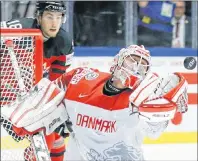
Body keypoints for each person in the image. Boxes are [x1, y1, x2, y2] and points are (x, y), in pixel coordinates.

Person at [2, 45, 189, 160]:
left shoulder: (141, 102)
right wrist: (26, 112)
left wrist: (166, 105)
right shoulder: (81, 79)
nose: (135, 69)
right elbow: (51, 95)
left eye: (142, 67)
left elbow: (153, 131)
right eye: (131, 62)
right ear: (117, 61)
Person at [1, 1, 73, 161]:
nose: (54, 22)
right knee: (44, 133)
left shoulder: (64, 43)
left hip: (26, 100)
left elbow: (55, 83)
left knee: (55, 136)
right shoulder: (18, 29)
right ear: (39, 17)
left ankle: (33, 156)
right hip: (4, 100)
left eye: (58, 17)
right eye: (49, 16)